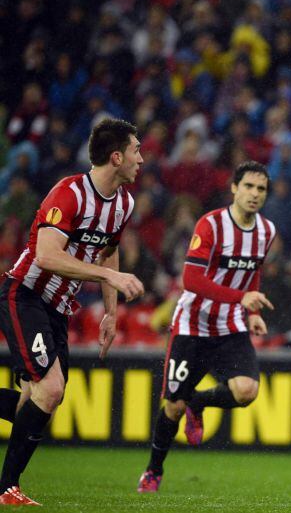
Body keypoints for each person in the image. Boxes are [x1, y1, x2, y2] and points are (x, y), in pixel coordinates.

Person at [0, 118, 145, 506]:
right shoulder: (68, 193)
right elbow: (47, 256)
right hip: (25, 294)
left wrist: (110, 314)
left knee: (36, 401)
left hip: (58, 308)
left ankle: (7, 487)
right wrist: (108, 278)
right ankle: (6, 488)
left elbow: (109, 251)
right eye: (136, 151)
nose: (141, 159)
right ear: (116, 157)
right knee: (50, 390)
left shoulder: (124, 204)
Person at [137, 161, 275, 493]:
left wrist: (251, 309)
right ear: (234, 188)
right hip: (192, 326)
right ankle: (154, 470)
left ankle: (198, 402)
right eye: (249, 187)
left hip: (230, 326)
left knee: (247, 391)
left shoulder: (267, 231)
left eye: (261, 189)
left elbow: (252, 270)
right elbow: (191, 279)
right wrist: (242, 297)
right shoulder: (211, 224)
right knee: (173, 405)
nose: (255, 194)